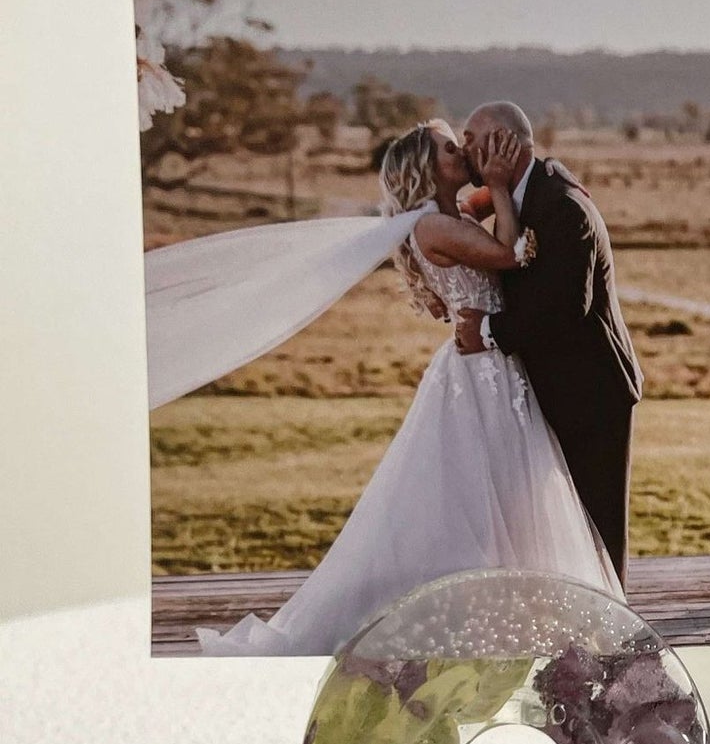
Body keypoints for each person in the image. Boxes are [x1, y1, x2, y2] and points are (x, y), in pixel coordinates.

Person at [193, 120, 621, 656]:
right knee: (473, 491)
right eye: (450, 148)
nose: (460, 151)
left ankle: (508, 602)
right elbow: (510, 252)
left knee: (502, 490)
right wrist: (498, 189)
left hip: (493, 366)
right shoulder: (433, 227)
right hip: (480, 372)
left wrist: (515, 168)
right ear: (427, 167)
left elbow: (513, 186)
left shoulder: (451, 214)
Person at [459, 102, 643, 585]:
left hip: (590, 391)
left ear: (503, 143)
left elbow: (565, 310)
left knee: (597, 530)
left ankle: (610, 642)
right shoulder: (524, 192)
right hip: (552, 387)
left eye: (473, 138)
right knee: (560, 529)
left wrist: (488, 333)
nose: (464, 149)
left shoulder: (560, 205)